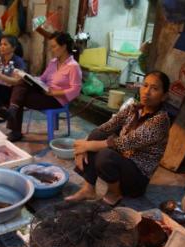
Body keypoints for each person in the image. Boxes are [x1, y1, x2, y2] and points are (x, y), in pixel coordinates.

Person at [65, 71, 171, 206]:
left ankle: (114, 192)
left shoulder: (160, 121)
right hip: (120, 167)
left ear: (164, 96)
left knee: (105, 155)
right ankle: (88, 188)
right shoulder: (134, 108)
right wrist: (86, 143)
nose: (147, 91)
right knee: (96, 135)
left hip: (136, 180)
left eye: (154, 88)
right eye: (145, 85)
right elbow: (106, 127)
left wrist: (87, 146)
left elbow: (124, 143)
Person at [5, 31, 82, 142]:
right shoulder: (53, 62)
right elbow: (42, 79)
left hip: (57, 99)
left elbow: (75, 90)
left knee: (20, 97)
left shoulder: (73, 66)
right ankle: (13, 111)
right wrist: (28, 77)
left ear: (64, 46)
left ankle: (14, 120)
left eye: (54, 46)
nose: (51, 49)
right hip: (45, 92)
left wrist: (53, 93)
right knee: (21, 83)